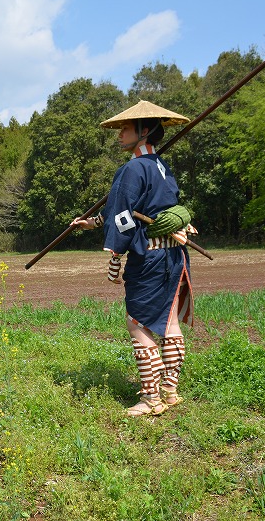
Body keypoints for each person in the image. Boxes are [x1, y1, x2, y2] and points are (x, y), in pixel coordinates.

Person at [71, 100, 194, 417]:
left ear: (143, 130)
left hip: (149, 259)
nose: (119, 134)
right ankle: (170, 391)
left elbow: (123, 219)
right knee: (169, 324)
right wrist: (94, 222)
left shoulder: (131, 169)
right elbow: (129, 212)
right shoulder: (161, 167)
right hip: (174, 255)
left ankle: (151, 399)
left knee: (137, 323)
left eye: (124, 128)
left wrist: (114, 255)